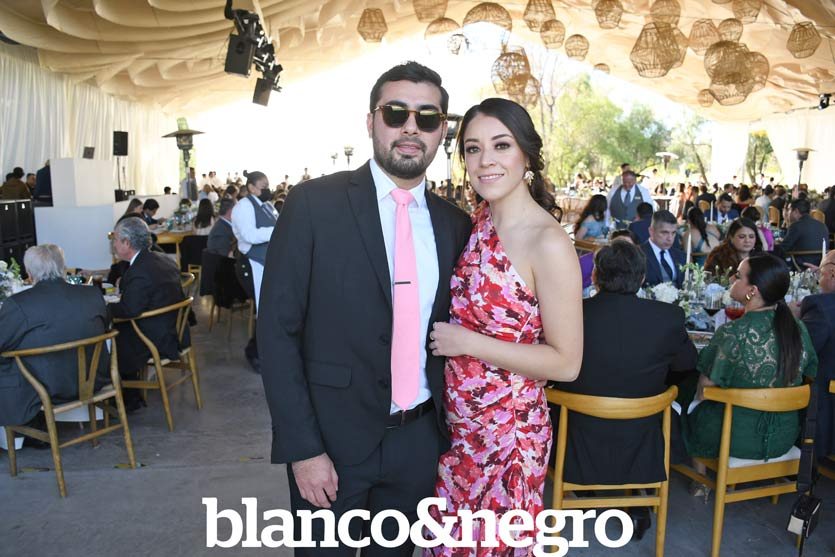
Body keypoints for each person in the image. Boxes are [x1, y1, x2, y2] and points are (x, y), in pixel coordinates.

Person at [258, 61, 472, 555]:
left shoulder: (455, 224)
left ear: (442, 130)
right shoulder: (313, 204)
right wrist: (303, 449)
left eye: (427, 117)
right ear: (371, 121)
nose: (411, 128)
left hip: (418, 444)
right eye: (396, 113)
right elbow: (276, 332)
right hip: (329, 443)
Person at [426, 97, 583, 553]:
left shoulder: (548, 242)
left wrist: (467, 342)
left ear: (527, 155)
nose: (485, 160)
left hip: (507, 433)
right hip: (459, 428)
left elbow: (567, 363)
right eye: (473, 149)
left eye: (501, 145)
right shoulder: (476, 221)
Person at [553, 241, 697, 539]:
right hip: (642, 439)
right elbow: (687, 365)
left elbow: (552, 369)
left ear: (595, 276)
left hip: (575, 437)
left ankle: (590, 493)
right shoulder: (668, 317)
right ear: (642, 278)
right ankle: (635, 499)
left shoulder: (570, 314)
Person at [683, 254, 817, 461]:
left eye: (737, 276)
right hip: (784, 436)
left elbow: (704, 391)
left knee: (683, 394)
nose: (731, 279)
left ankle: (698, 475)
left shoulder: (733, 332)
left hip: (734, 438)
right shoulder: (797, 328)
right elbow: (810, 372)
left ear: (752, 291)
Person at [0, 245, 110, 427]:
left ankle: (22, 432)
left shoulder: (19, 304)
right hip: (93, 380)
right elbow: (106, 326)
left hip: (46, 389)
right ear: (63, 267)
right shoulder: (91, 294)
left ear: (29, 273)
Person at [108, 217, 188, 411]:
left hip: (155, 339)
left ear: (127, 243)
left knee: (108, 339)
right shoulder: (162, 259)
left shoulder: (139, 271)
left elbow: (129, 310)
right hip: (174, 330)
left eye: (115, 240)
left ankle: (122, 398)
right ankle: (131, 396)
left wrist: (102, 306)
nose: (114, 244)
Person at [232, 170, 278, 373]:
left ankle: (266, 350)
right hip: (251, 264)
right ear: (251, 187)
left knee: (271, 307)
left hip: (267, 262)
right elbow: (249, 235)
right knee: (265, 307)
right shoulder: (243, 207)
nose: (267, 190)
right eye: (263, 187)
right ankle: (255, 352)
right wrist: (278, 230)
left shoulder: (267, 205)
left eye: (268, 186)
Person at [790, 251, 835, 460]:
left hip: (826, 406)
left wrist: (793, 319)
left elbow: (798, 350)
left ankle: (802, 464)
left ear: (832, 273)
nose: (818, 278)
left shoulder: (822, 306)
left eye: (820, 272)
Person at [779, 198, 830, 269]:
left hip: (800, 265)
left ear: (796, 211)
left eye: (789, 210)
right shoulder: (822, 225)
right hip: (820, 264)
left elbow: (783, 248)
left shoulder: (796, 226)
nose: (788, 213)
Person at [641, 210, 685, 287]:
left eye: (673, 233)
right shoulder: (638, 254)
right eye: (664, 233)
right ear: (651, 231)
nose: (670, 238)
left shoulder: (680, 255)